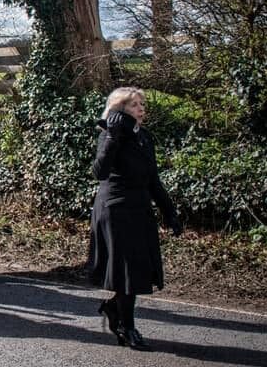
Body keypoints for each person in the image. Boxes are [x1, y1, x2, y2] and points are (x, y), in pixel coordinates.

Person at [87, 87, 183, 352]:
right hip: (115, 210)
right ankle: (127, 327)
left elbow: (152, 178)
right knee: (127, 272)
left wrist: (169, 211)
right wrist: (113, 137)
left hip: (140, 209)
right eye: (133, 105)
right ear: (119, 110)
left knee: (138, 270)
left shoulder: (144, 137)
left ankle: (115, 308)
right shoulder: (109, 134)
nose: (141, 108)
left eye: (141, 104)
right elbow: (100, 171)